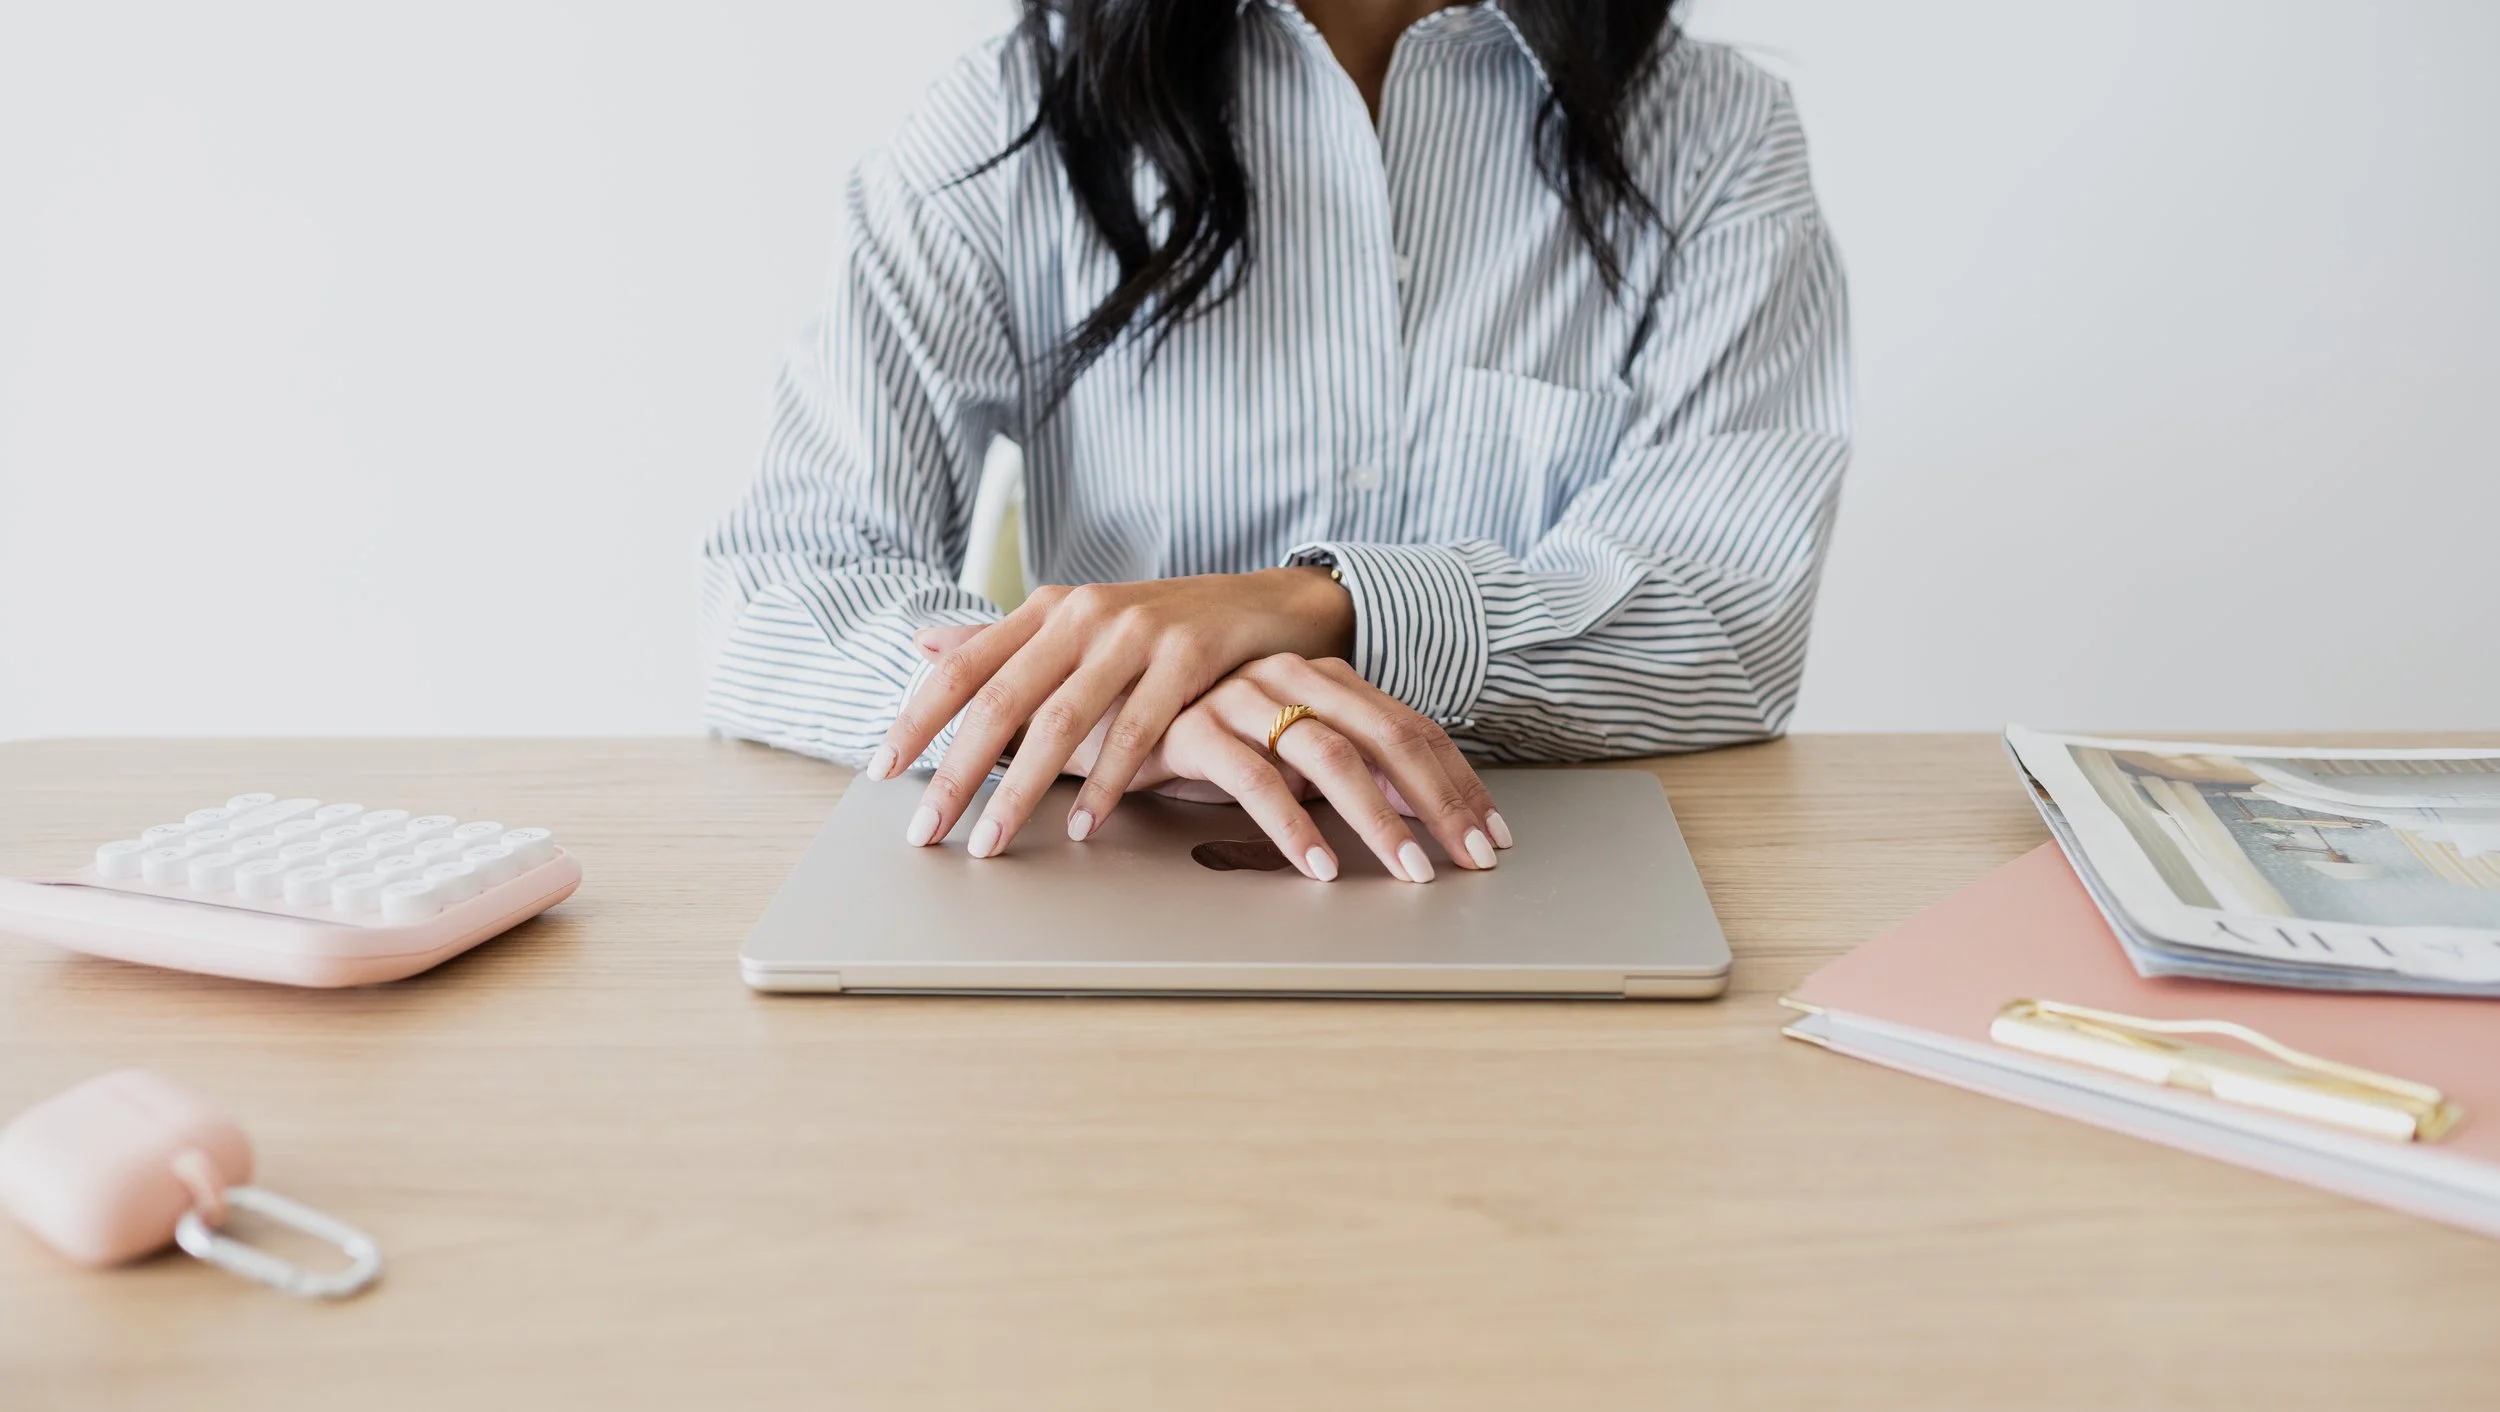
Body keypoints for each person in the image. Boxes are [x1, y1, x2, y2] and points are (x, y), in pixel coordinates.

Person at [701, 0, 1849, 884]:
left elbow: (1729, 622)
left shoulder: (1711, 134)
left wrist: (1321, 606)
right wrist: (1133, 702)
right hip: (1120, 865)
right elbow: (777, 592)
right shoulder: (1016, 112)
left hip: (1520, 860)